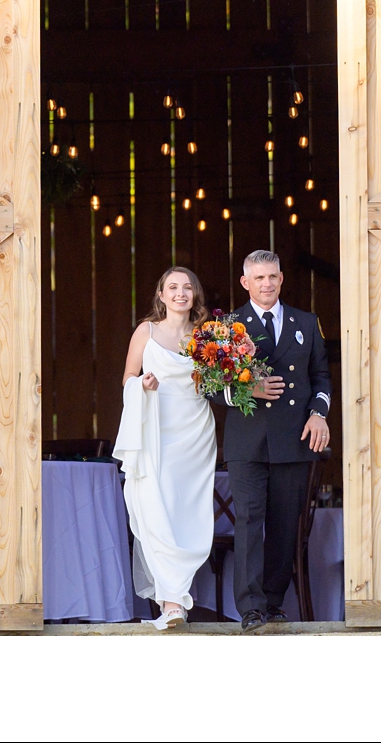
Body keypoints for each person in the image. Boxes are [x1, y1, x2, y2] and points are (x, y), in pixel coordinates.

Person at [211, 249, 331, 632]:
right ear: (245, 283)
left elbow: (321, 378)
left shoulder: (306, 322)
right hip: (247, 441)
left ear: (281, 279)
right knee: (248, 522)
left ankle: (274, 603)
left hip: (293, 439)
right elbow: (209, 387)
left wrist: (318, 413)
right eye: (259, 278)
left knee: (283, 524)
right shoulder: (227, 327)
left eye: (273, 277)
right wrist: (251, 390)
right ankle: (250, 607)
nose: (267, 284)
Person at [111, 265, 217, 631]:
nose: (180, 293)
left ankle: (177, 595)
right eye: (172, 287)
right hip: (157, 429)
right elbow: (127, 376)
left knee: (189, 513)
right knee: (156, 508)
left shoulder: (206, 337)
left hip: (195, 433)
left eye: (187, 287)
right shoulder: (146, 331)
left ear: (194, 295)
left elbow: (218, 384)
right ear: (161, 294)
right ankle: (172, 603)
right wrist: (142, 384)